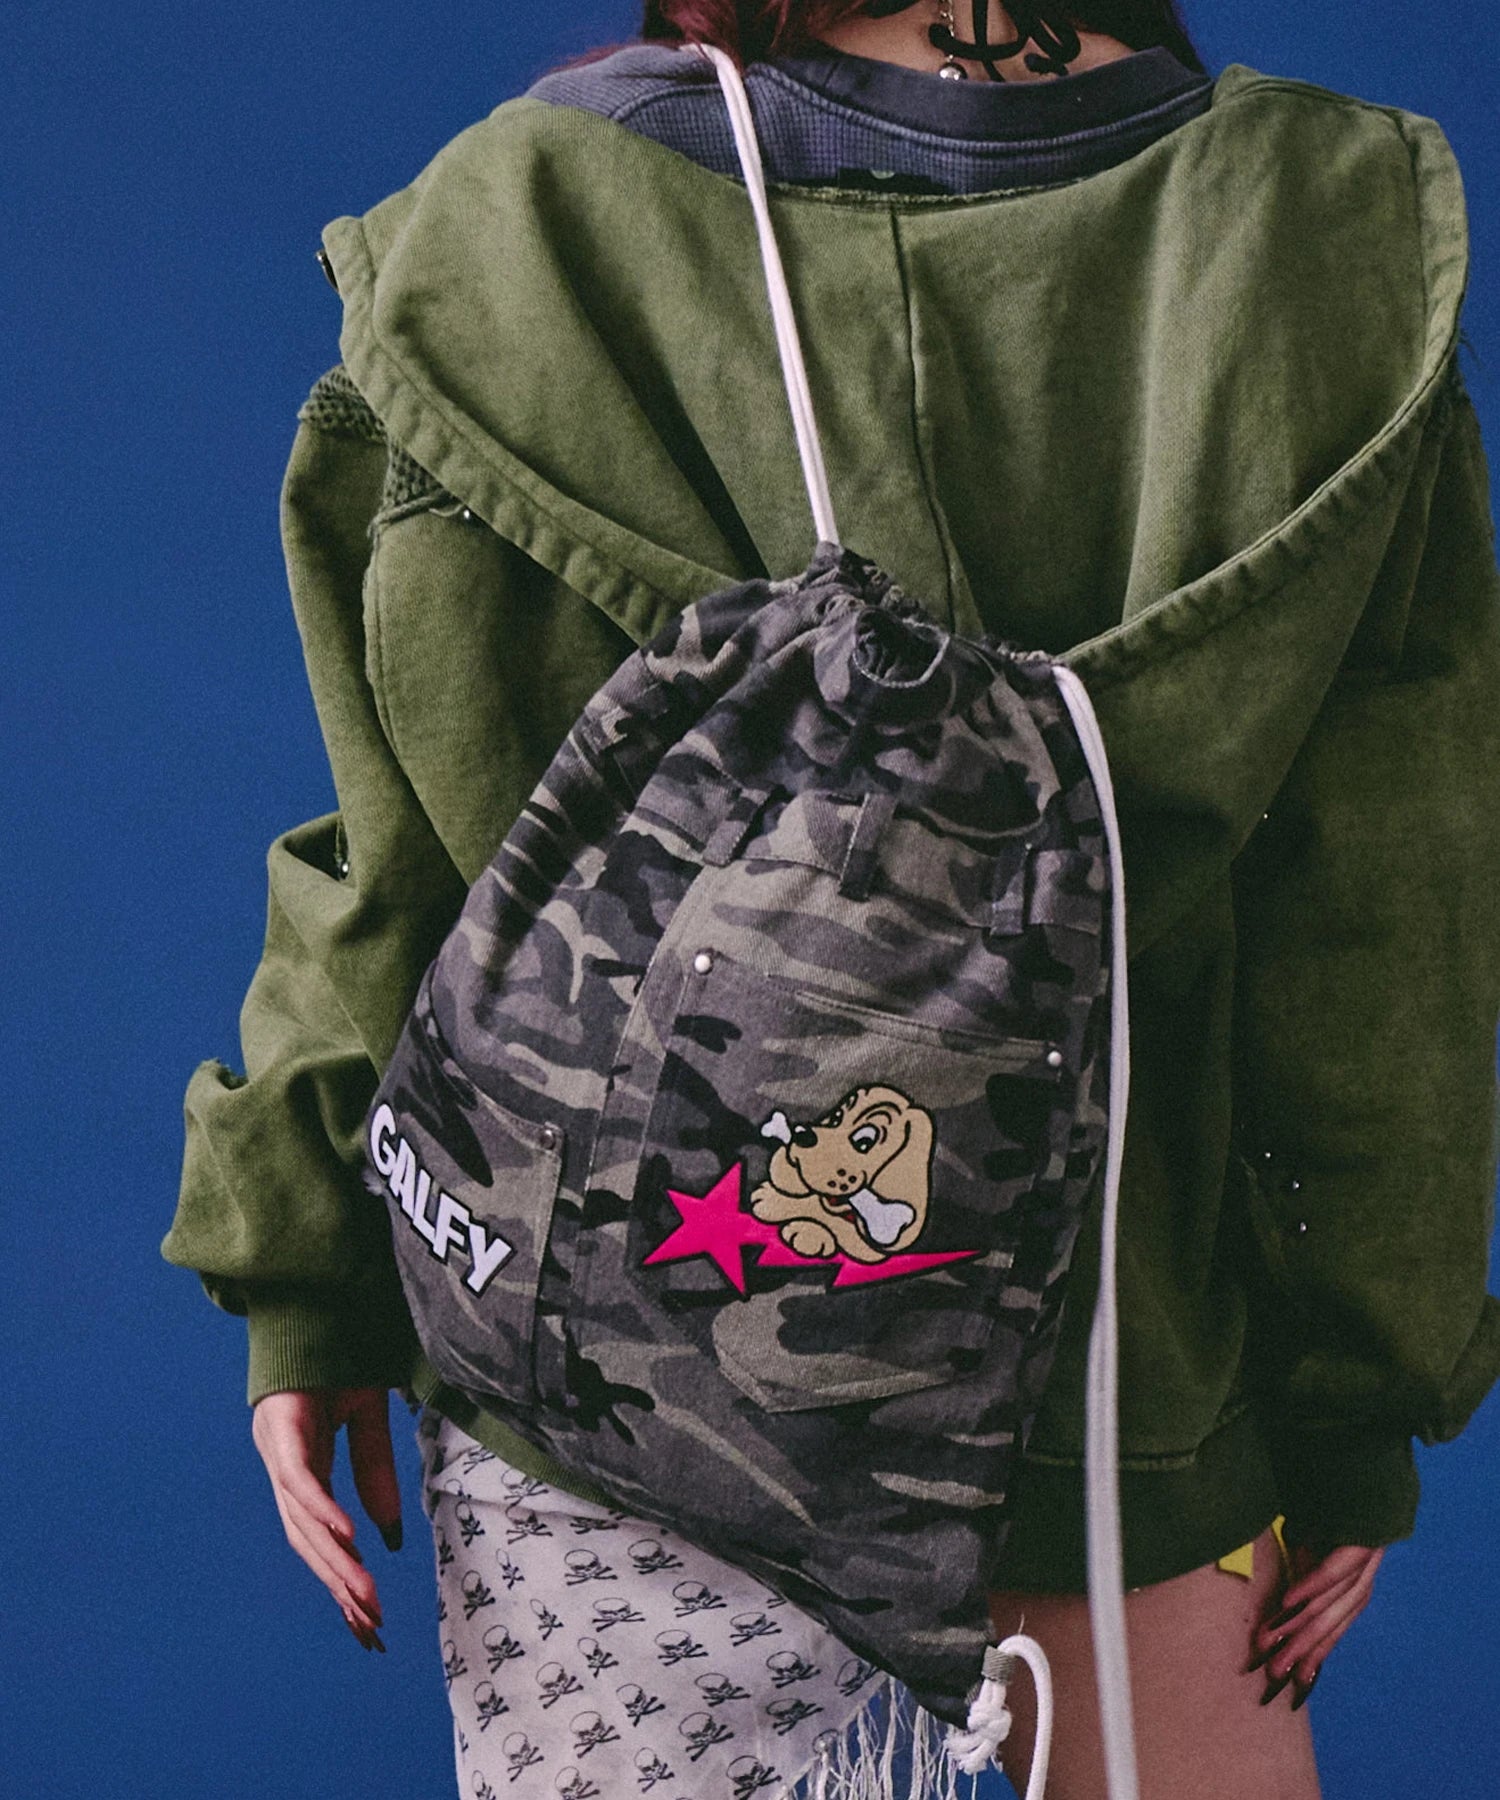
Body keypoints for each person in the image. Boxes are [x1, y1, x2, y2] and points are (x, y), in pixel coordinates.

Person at [162, 4, 1500, 1796]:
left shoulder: (515, 232)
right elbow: (1388, 939)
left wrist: (305, 1277)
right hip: (1121, 1395)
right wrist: (1360, 1401)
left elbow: (402, 854)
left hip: (609, 1384)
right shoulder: (1317, 238)